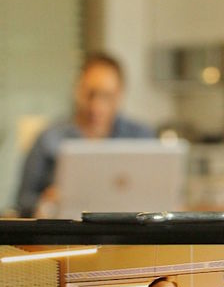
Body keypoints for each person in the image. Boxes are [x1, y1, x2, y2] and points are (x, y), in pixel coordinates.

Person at [15, 51, 154, 217]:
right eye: (90, 94)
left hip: (127, 237)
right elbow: (22, 201)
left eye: (106, 96)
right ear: (78, 90)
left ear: (120, 95)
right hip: (67, 237)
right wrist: (46, 202)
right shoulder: (49, 137)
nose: (96, 105)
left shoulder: (141, 138)